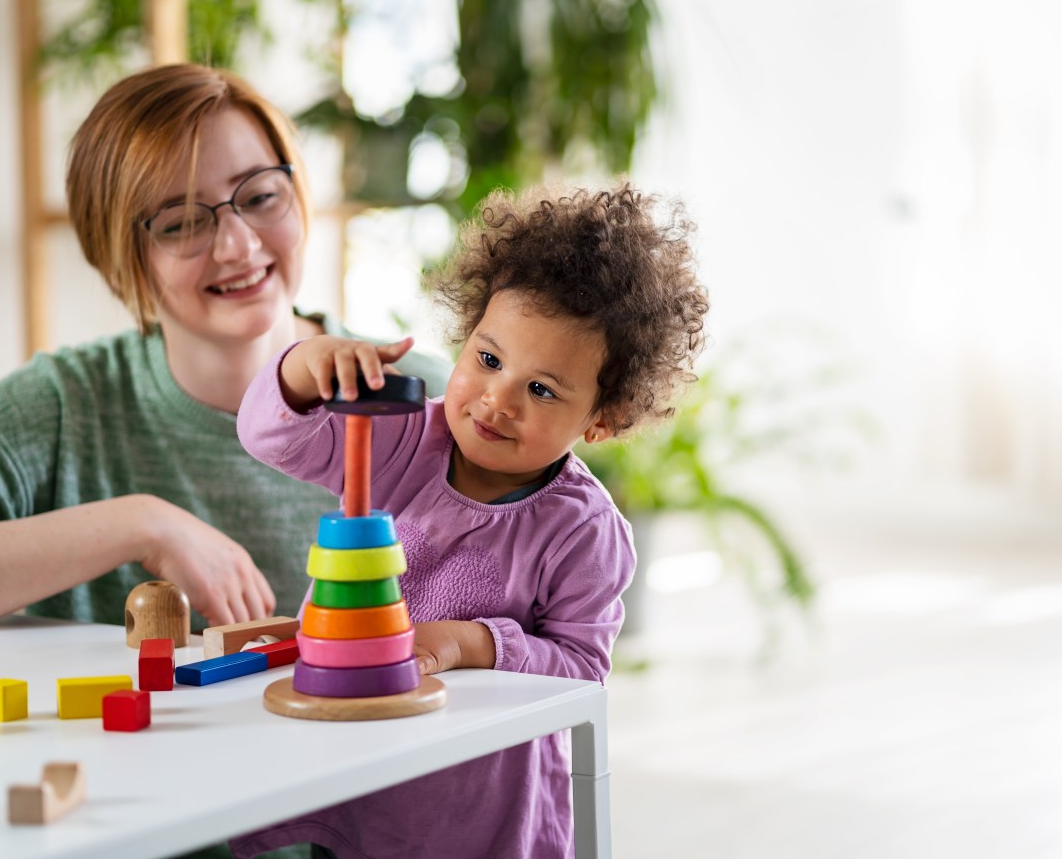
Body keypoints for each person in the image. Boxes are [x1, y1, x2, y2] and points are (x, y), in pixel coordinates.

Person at [233, 181, 710, 858]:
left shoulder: (584, 531)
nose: (496, 400)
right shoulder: (401, 440)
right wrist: (303, 372)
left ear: (600, 422)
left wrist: (474, 644)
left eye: (540, 390)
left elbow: (580, 671)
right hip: (353, 757)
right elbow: (270, 437)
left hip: (478, 800)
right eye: (487, 360)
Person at [0, 63, 449, 635]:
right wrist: (142, 525)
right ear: (118, 258)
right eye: (182, 224)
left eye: (259, 195)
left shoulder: (429, 398)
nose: (238, 245)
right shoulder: (63, 408)